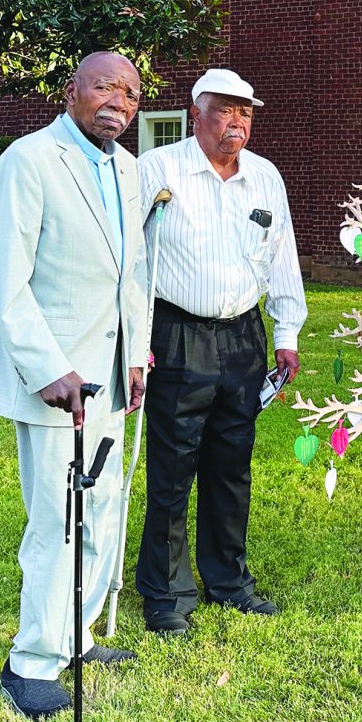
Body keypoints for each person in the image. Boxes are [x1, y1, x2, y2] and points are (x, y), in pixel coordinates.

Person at [0, 52, 147, 719]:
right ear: (72, 88)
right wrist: (48, 366)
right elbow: (6, 277)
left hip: (109, 375)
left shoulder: (129, 170)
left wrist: (135, 355)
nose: (120, 100)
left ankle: (74, 637)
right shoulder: (28, 160)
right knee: (57, 519)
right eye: (106, 84)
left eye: (132, 93)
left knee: (102, 508)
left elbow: (129, 276)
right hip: (57, 380)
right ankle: (31, 662)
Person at [135, 68, 307, 633]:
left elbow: (281, 256)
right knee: (173, 465)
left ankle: (228, 580)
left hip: (243, 337)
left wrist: (285, 334)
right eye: (225, 111)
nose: (237, 123)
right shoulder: (159, 170)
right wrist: (135, 339)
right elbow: (130, 261)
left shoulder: (264, 177)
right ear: (196, 115)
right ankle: (166, 593)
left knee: (231, 464)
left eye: (246, 113)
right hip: (177, 332)